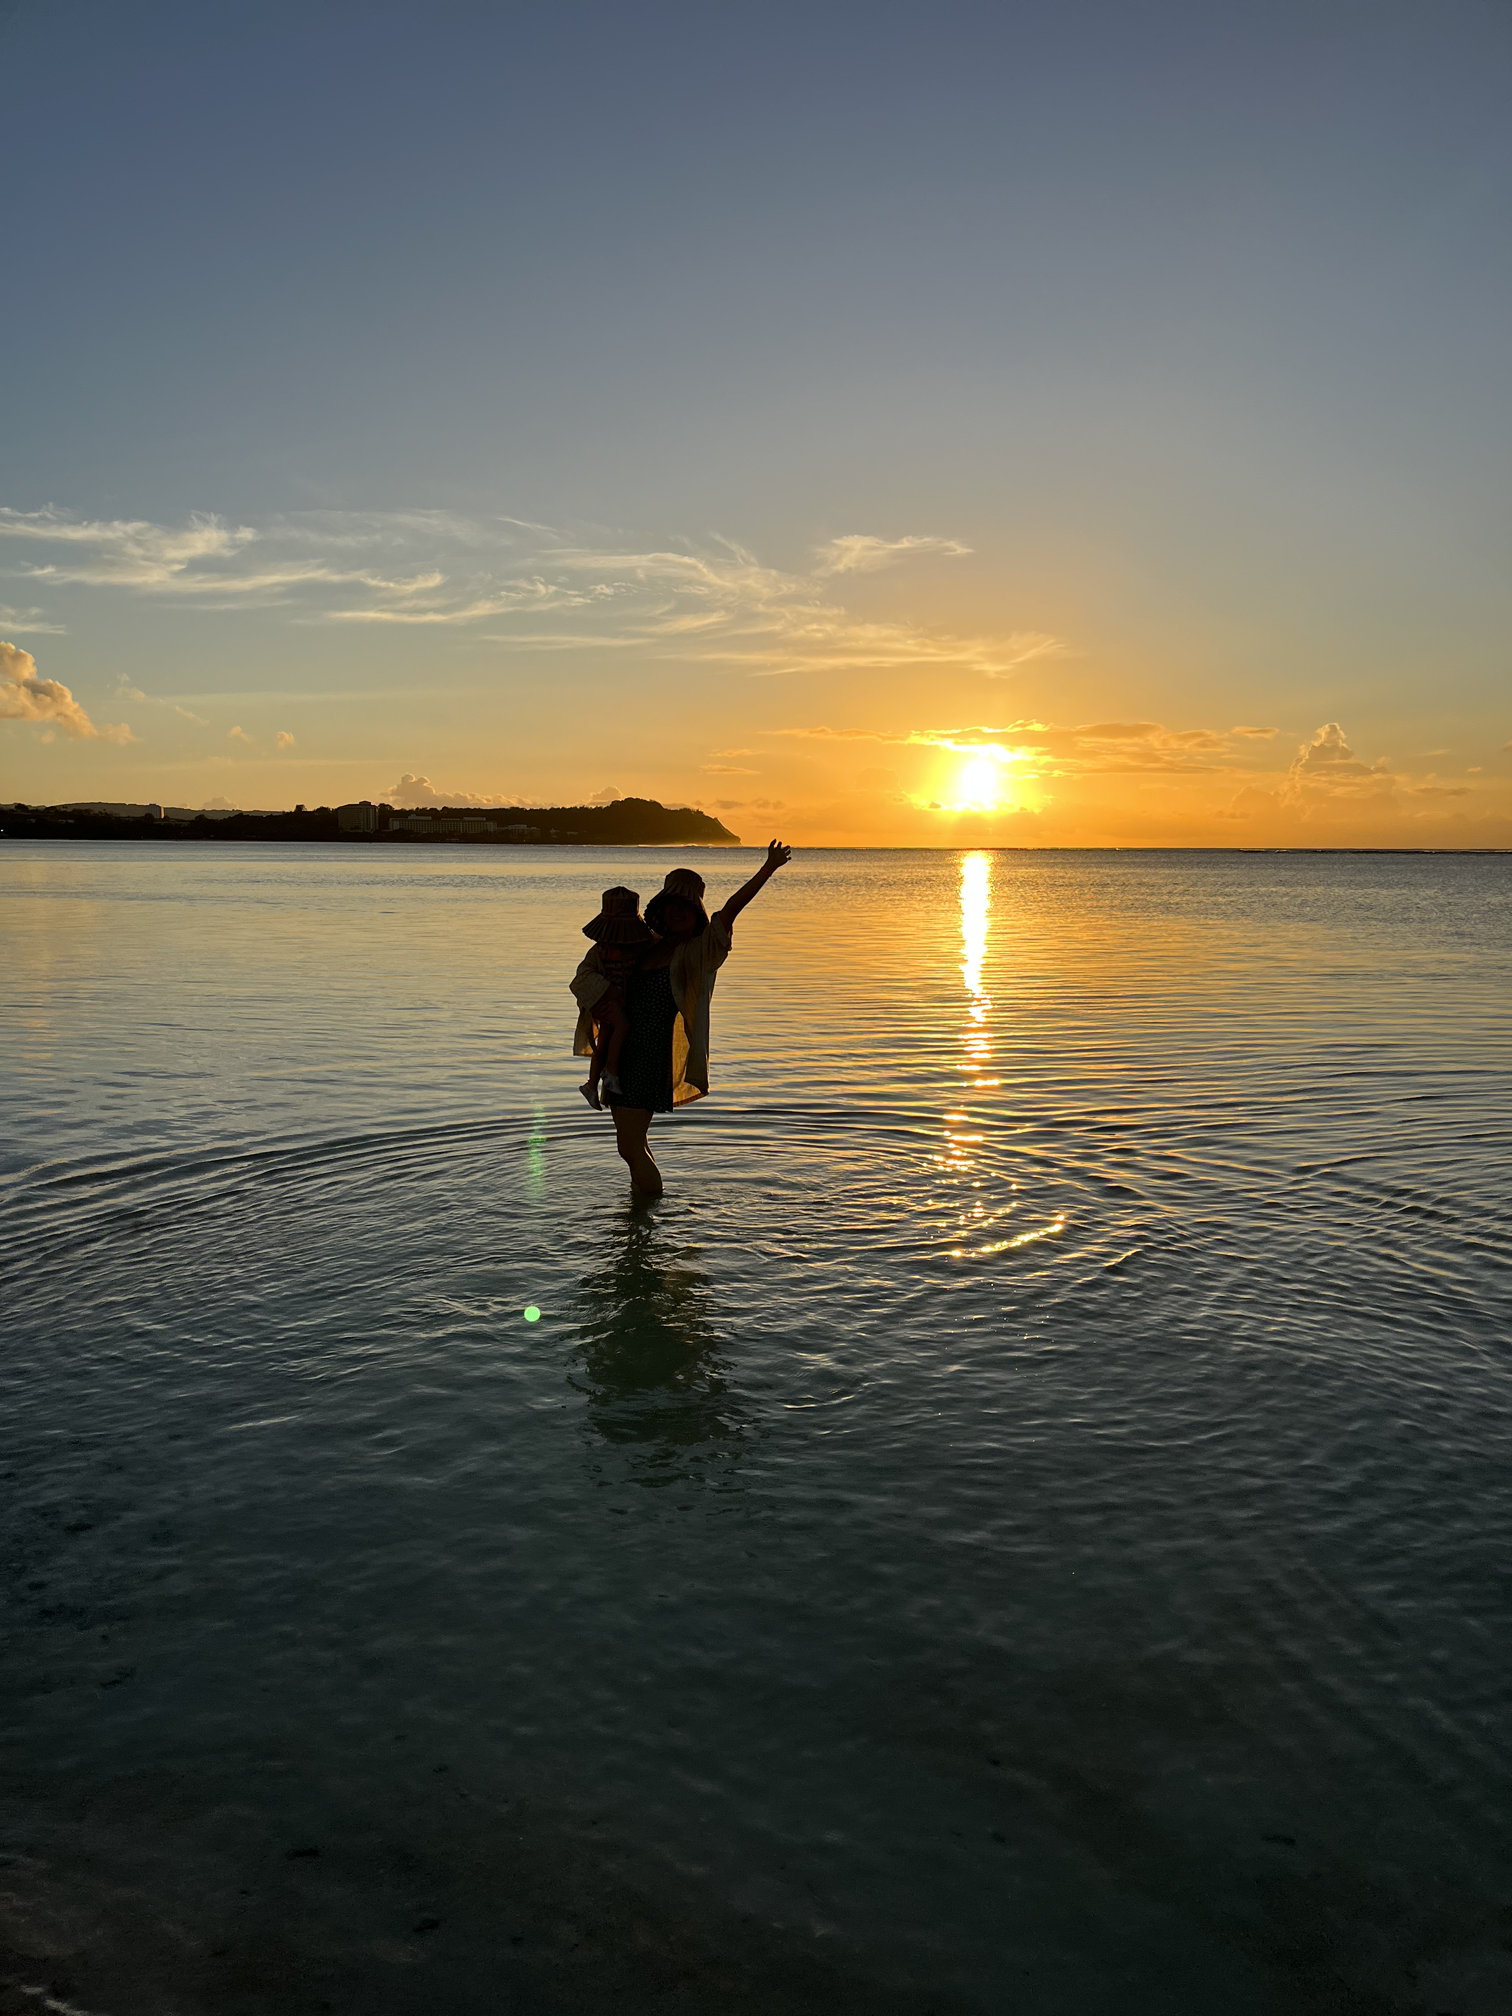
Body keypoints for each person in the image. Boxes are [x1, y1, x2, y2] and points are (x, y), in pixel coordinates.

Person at [570, 841, 792, 1196]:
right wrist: (603, 995)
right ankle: (640, 1216)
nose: (676, 912)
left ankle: (648, 1218)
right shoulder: (647, 944)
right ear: (660, 909)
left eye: (684, 907)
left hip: (649, 1057)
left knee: (628, 1147)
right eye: (670, 905)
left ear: (696, 913)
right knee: (632, 1145)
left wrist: (767, 869)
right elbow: (592, 966)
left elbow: (730, 912)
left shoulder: (696, 953)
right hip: (623, 1051)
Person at [577, 886, 654, 1109]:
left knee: (607, 1037)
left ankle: (592, 1084)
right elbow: (583, 979)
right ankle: (609, 1071)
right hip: (608, 1001)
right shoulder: (602, 953)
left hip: (613, 1001)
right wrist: (610, 993)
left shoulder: (637, 950)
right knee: (620, 1026)